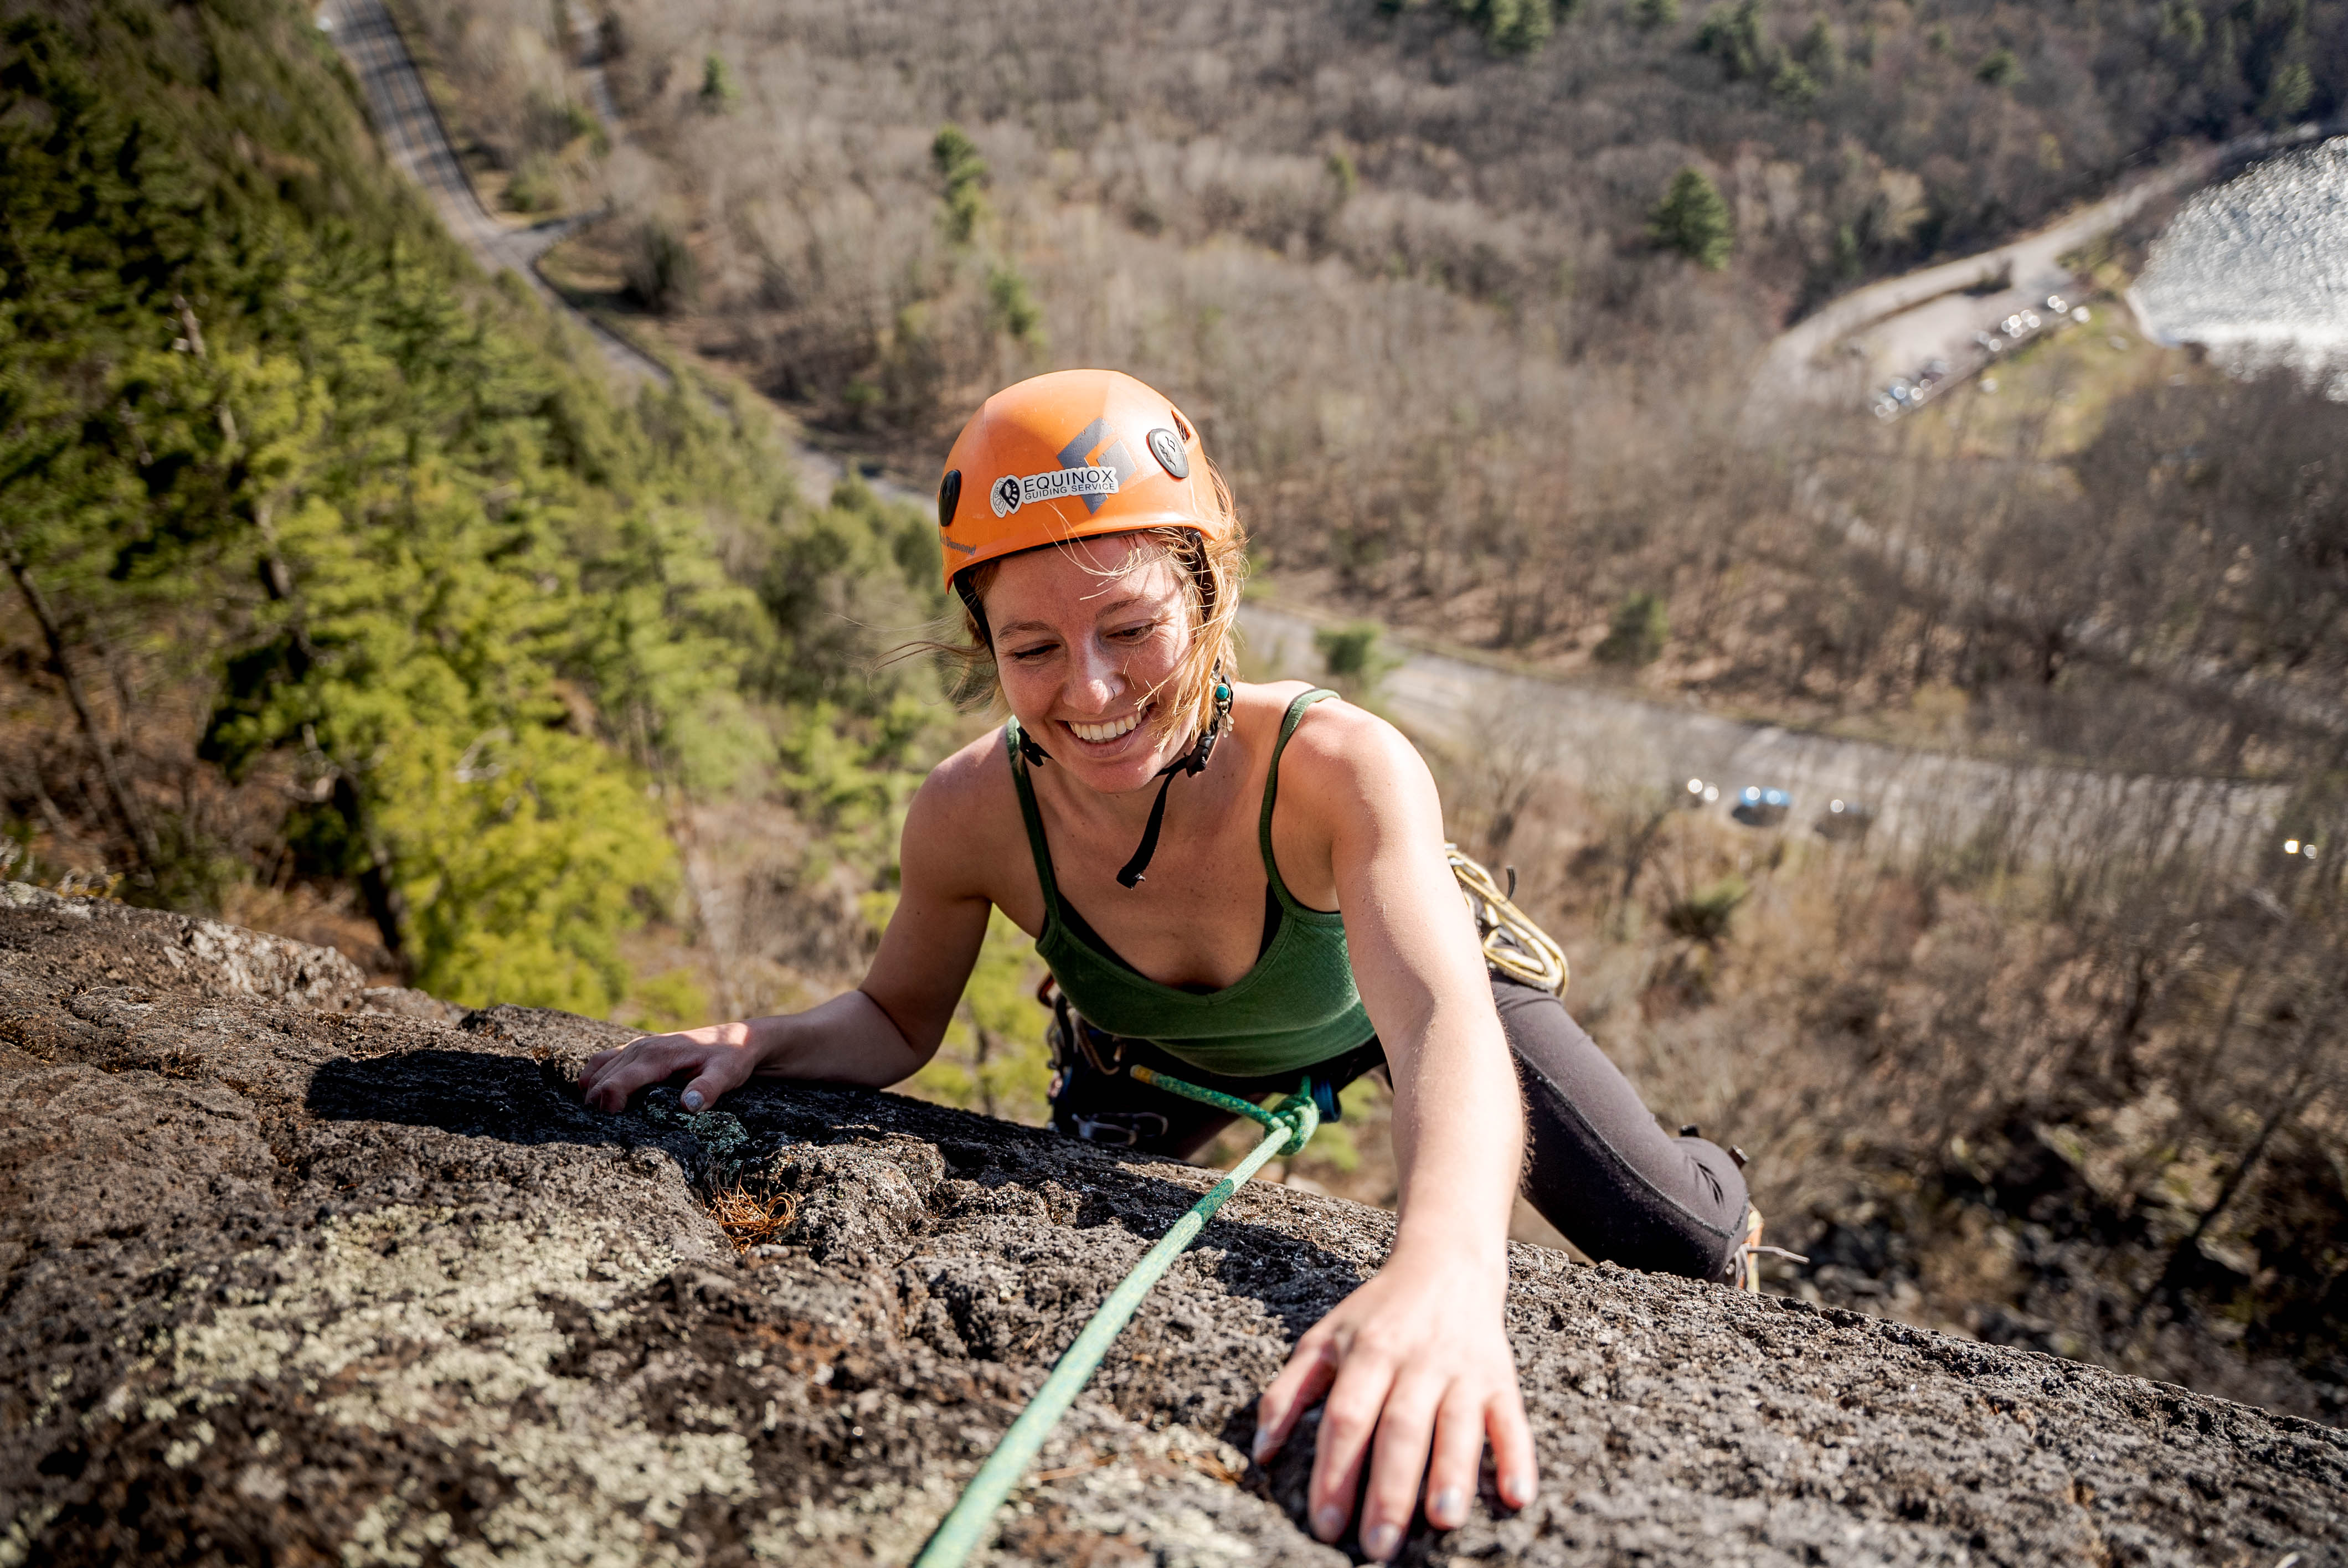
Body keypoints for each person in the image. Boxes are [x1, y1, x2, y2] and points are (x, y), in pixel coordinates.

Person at [580, 369, 1755, 1560]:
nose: (1089, 691)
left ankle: (1713, 1179)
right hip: (1154, 1058)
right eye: (1029, 646)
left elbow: (1441, 1026)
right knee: (1076, 1225)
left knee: (1676, 1245)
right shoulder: (971, 813)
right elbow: (894, 1016)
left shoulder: (1337, 765)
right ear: (981, 643)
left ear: (1208, 594)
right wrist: (762, 1040)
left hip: (1389, 985)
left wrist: (1445, 1272)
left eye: (1132, 629)